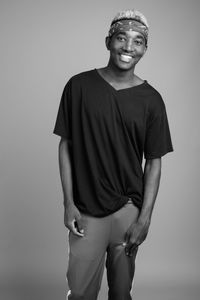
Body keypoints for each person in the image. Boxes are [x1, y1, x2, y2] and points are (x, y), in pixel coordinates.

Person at [53, 9, 173, 300]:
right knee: (81, 293)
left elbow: (154, 161)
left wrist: (144, 219)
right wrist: (68, 203)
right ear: (108, 41)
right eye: (122, 38)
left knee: (121, 292)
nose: (128, 48)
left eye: (138, 41)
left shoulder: (152, 100)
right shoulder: (78, 87)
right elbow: (66, 145)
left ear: (145, 48)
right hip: (86, 210)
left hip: (128, 211)